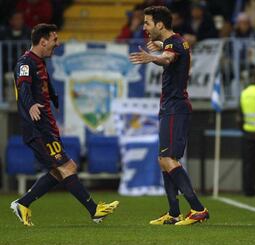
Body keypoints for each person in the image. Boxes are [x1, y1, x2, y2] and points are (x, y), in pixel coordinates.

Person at [10, 24, 119, 226]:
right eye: (54, 39)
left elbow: (42, 84)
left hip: (47, 126)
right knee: (66, 167)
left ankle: (23, 203)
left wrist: (54, 97)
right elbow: (23, 87)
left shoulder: (39, 62)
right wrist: (31, 104)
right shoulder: (25, 63)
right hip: (37, 128)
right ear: (43, 41)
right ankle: (94, 210)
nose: (57, 43)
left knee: (60, 169)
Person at [128, 6, 209, 225]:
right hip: (170, 107)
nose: (144, 27)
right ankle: (174, 213)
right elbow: (172, 50)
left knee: (168, 158)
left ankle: (198, 208)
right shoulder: (177, 41)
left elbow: (167, 59)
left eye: (147, 23)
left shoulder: (173, 44)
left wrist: (151, 57)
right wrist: (160, 46)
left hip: (175, 107)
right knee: (163, 160)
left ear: (159, 24)